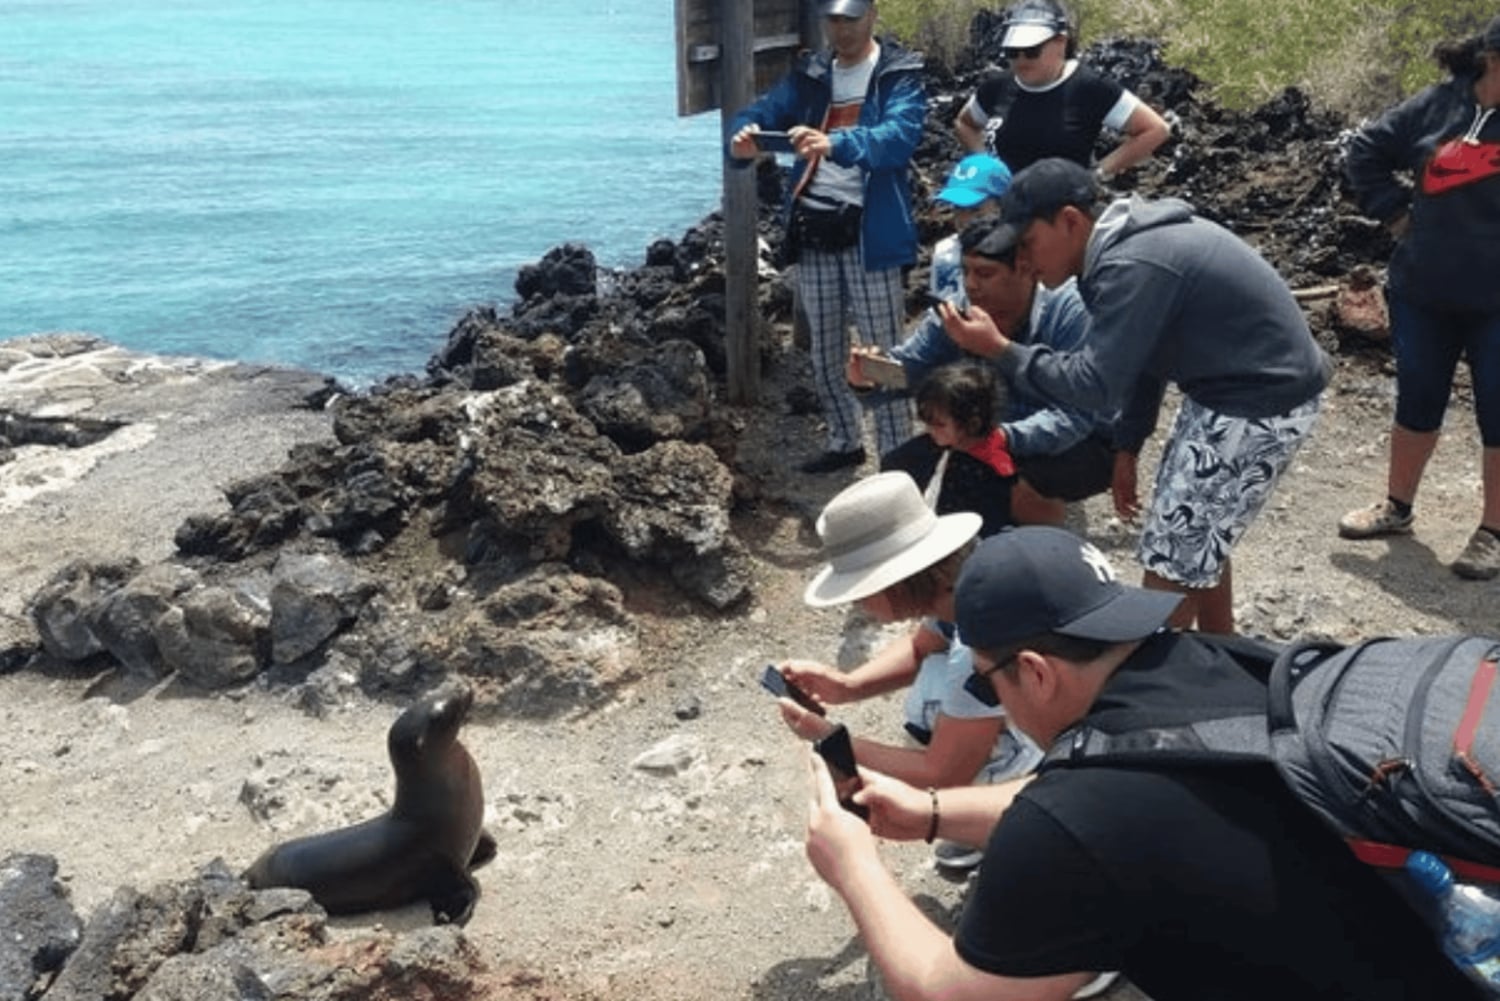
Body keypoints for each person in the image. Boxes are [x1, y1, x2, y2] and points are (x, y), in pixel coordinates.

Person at [802, 525, 1485, 1001]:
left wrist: (853, 865)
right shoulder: (1217, 657)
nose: (994, 701)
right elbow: (1116, 794)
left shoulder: (1075, 822)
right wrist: (932, 812)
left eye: (987, 682)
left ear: (1034, 673)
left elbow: (950, 989)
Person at [946, 158, 1329, 633]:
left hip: (1259, 399)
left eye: (1027, 243)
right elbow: (1148, 358)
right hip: (1228, 390)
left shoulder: (1132, 263)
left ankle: (1153, 683)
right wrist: (1129, 443)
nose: (1023, 261)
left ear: (1070, 221)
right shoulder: (1117, 252)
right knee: (1191, 534)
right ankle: (1221, 651)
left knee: (1170, 557)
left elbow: (1094, 385)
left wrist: (1001, 350)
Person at [775, 471, 1039, 869]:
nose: (858, 603)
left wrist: (830, 739)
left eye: (861, 590)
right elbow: (921, 648)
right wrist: (846, 686)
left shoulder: (977, 646)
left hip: (1074, 734)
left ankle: (1005, 813)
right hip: (1052, 695)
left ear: (897, 580)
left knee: (938, 707)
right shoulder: (961, 581)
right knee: (934, 685)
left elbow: (943, 772)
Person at [727, 0, 925, 475]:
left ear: (873, 16)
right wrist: (743, 137)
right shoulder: (812, 72)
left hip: (869, 233)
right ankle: (844, 441)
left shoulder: (898, 73)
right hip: (814, 227)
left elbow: (900, 137)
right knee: (825, 350)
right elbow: (760, 111)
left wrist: (836, 143)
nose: (841, 30)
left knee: (883, 352)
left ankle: (896, 457)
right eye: (833, 20)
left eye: (850, 19)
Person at [1337, 15, 1500, 581]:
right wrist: (1398, 214)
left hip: (1496, 300)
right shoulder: (1438, 105)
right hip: (1423, 290)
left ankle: (1492, 532)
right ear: (1492, 58)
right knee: (1417, 402)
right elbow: (1365, 151)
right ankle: (1397, 507)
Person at [853, 216, 1115, 525]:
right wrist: (868, 379)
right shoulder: (956, 311)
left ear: (1024, 269)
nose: (971, 284)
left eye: (985, 273)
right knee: (902, 468)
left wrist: (1005, 436)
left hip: (1080, 439)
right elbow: (912, 368)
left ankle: (1042, 556)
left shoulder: (1070, 314)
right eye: (966, 272)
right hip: (982, 430)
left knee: (1018, 484)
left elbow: (1078, 414)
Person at [953, 0, 1169, 180]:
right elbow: (965, 124)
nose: (1021, 60)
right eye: (1012, 51)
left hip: (1065, 214)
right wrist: (988, 168)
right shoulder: (997, 87)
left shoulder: (1089, 87)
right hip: (1007, 207)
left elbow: (1155, 129)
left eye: (1031, 51)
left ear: (1061, 42)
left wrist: (1098, 174)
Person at [881, 362, 1017, 537]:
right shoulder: (913, 455)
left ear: (972, 424)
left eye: (939, 424)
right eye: (926, 421)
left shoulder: (998, 468)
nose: (929, 429)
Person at [927, 153, 1011, 304]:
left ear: (1002, 206)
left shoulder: (1023, 256)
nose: (964, 220)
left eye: (975, 210)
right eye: (958, 209)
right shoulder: (945, 253)